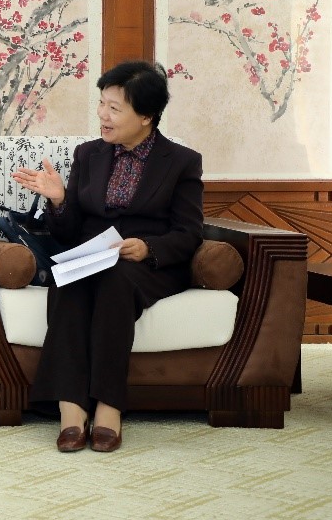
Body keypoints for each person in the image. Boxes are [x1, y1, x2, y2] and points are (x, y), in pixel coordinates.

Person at [11, 61, 203, 453]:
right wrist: (60, 200)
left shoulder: (182, 161)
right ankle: (70, 408)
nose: (103, 115)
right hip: (92, 258)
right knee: (69, 280)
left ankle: (108, 408)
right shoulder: (88, 154)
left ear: (146, 116)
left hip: (144, 265)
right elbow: (68, 232)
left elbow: (189, 233)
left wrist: (148, 248)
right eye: (102, 104)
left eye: (114, 108)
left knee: (116, 282)